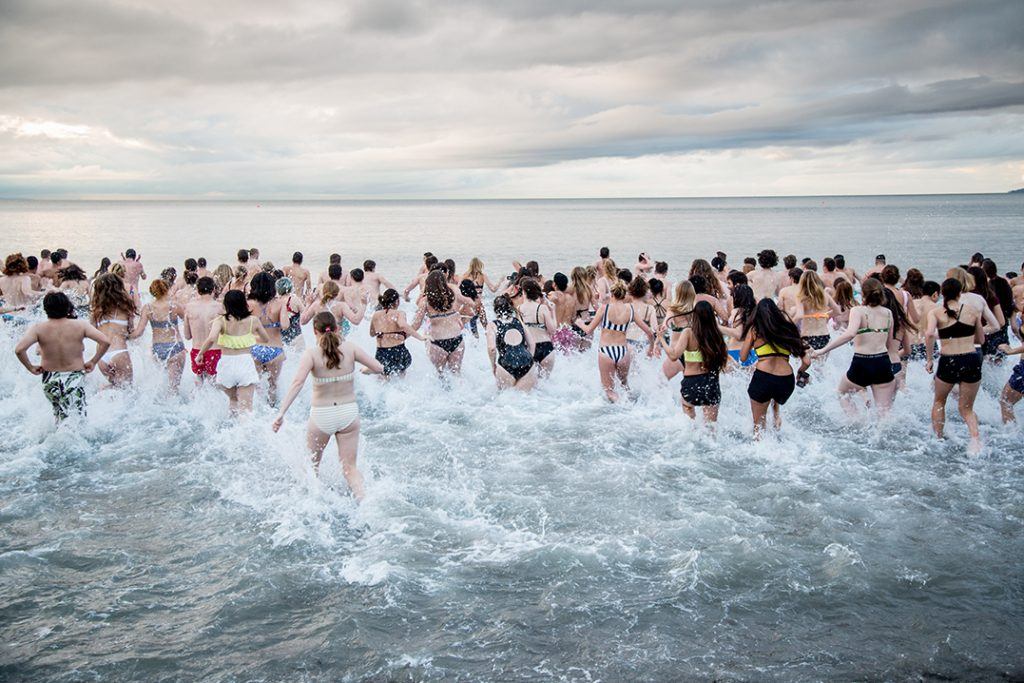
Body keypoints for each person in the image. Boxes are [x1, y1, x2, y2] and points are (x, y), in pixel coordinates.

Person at [272, 311, 383, 500]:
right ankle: (366, 502)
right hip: (348, 413)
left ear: (315, 331)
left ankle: (316, 505)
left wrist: (281, 413)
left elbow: (297, 383)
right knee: (350, 468)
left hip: (322, 415)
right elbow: (379, 367)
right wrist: (365, 370)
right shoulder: (350, 348)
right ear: (338, 328)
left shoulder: (312, 354)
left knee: (311, 469)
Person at [14, 292, 110, 422]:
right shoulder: (80, 325)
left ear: (46, 309)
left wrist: (30, 367)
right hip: (74, 376)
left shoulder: (38, 328)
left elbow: (19, 349)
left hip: (50, 378)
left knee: (59, 415)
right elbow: (105, 342)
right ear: (67, 307)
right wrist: (93, 361)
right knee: (78, 416)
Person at [812, 278, 896, 416]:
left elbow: (849, 334)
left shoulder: (858, 311)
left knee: (842, 393)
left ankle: (857, 423)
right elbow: (889, 343)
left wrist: (823, 350)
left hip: (862, 363)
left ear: (863, 294)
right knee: (884, 413)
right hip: (883, 362)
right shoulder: (888, 313)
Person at [924, 278, 984, 453]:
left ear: (942, 293)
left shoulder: (936, 313)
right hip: (971, 359)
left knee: (939, 401)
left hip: (948, 360)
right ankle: (975, 441)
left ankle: (939, 438)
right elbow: (981, 339)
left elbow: (928, 334)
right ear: (960, 293)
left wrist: (929, 359)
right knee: (966, 408)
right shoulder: (973, 311)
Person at [740, 299, 810, 437]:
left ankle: (761, 448)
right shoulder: (788, 329)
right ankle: (776, 415)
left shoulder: (755, 330)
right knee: (774, 396)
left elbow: (743, 357)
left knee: (758, 427)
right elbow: (807, 361)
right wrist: (800, 372)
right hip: (785, 382)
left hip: (763, 378)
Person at [196, 289, 271, 414]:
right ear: (244, 303)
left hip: (227, 364)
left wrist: (200, 354)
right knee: (246, 409)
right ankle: (245, 432)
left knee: (233, 401)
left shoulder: (220, 320)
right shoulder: (253, 320)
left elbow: (211, 338)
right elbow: (266, 339)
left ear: (226, 304)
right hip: (245, 362)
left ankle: (231, 429)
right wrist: (248, 338)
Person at [578, 280, 655, 401]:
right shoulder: (630, 310)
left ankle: (622, 407)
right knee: (625, 386)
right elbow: (650, 332)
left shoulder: (604, 308)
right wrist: (651, 348)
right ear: (624, 295)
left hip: (606, 351)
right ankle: (632, 406)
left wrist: (579, 323)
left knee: (609, 391)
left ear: (612, 294)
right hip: (623, 351)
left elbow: (588, 330)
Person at [660, 301, 728, 424]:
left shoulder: (688, 333)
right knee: (711, 430)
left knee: (689, 423)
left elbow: (674, 356)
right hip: (711, 383)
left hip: (691, 383)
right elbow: (723, 358)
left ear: (695, 316)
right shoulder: (716, 334)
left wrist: (661, 339)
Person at [412, 270, 472, 375]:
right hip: (457, 340)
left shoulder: (425, 301)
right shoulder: (453, 295)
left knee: (440, 376)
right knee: (456, 375)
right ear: (444, 282)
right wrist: (460, 318)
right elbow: (470, 306)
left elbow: (416, 325)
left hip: (438, 343)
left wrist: (401, 333)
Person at [132, 279, 186, 390]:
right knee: (174, 389)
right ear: (167, 289)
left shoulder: (148, 308)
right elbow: (189, 322)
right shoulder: (174, 306)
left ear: (152, 292)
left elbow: (138, 332)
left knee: (162, 386)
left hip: (158, 349)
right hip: (175, 347)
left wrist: (124, 335)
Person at [247, 271, 289, 405]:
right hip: (275, 349)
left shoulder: (249, 304)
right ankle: (272, 411)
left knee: (256, 385)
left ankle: (258, 411)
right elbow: (285, 325)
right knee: (273, 386)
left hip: (255, 348)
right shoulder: (280, 303)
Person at [91, 272, 137, 386]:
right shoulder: (126, 308)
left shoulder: (96, 311)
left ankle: (102, 393)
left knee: (114, 388)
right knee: (128, 392)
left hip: (102, 357)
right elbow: (131, 331)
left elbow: (92, 332)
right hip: (119, 352)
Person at [370, 289, 426, 378]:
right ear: (397, 302)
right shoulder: (400, 313)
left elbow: (372, 333)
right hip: (398, 351)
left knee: (383, 381)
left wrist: (383, 332)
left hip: (382, 352)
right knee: (401, 379)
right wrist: (420, 337)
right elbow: (403, 325)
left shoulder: (376, 315)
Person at [487, 295, 537, 391]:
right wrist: (528, 359)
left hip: (506, 363)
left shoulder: (492, 325)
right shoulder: (519, 321)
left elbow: (491, 348)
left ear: (495, 309)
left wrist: (493, 365)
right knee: (525, 400)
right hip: (526, 361)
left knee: (507, 400)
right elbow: (532, 344)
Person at [184, 276, 223, 382]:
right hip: (214, 350)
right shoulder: (220, 307)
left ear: (197, 290)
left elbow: (187, 336)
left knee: (199, 385)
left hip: (196, 350)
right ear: (213, 289)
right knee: (214, 384)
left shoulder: (189, 307)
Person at [518, 277, 557, 374]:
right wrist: (553, 311)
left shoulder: (518, 309)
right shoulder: (542, 308)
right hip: (545, 347)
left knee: (532, 386)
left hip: (528, 348)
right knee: (546, 384)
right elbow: (552, 330)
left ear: (524, 292)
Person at [793, 270, 838, 353]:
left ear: (802, 282)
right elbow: (837, 311)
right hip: (824, 336)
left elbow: (799, 315)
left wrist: (788, 326)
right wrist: (826, 315)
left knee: (808, 364)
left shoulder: (801, 297)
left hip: (807, 336)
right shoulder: (825, 295)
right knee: (822, 365)